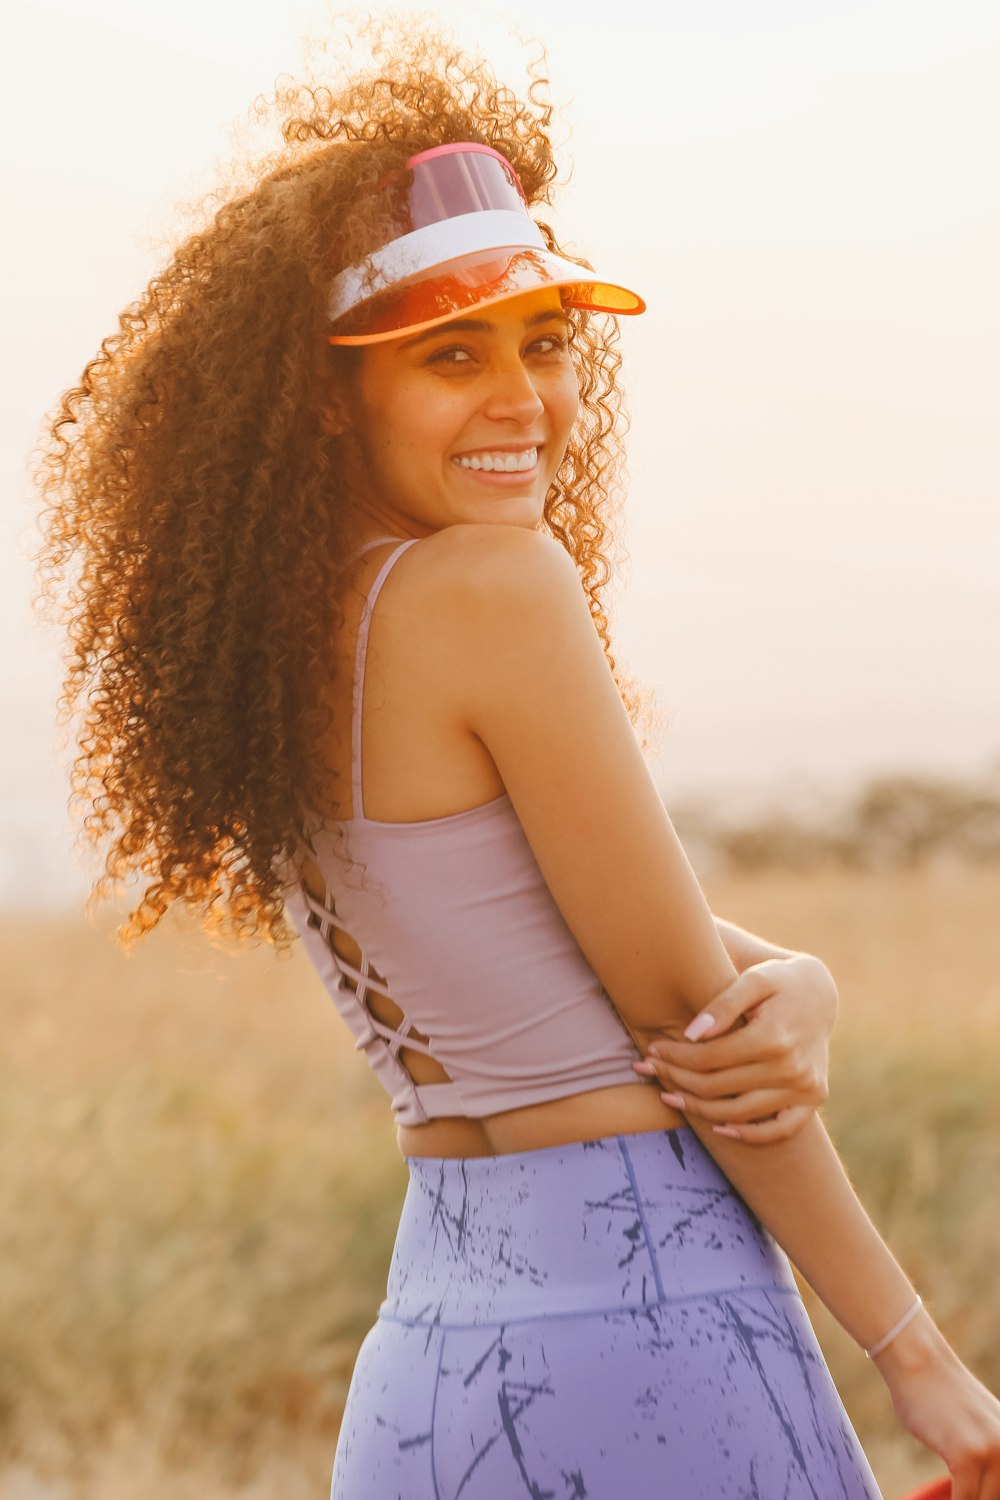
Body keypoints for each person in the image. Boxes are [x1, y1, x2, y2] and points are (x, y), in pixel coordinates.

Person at [33, 22, 999, 1500]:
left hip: (431, 1360)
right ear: (325, 392)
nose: (525, 401)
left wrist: (801, 976)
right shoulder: (491, 589)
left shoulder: (279, 637)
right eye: (448, 353)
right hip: (646, 1328)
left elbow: (554, 928)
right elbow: (688, 1020)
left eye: (543, 345)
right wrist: (916, 1354)